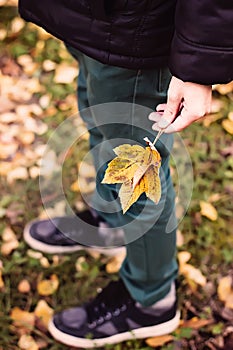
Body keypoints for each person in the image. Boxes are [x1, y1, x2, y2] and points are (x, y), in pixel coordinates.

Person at [19, 1, 233, 348]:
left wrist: (199, 65)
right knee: (101, 123)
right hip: (91, 20)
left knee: (135, 166)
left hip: (137, 30)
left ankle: (151, 300)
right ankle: (111, 223)